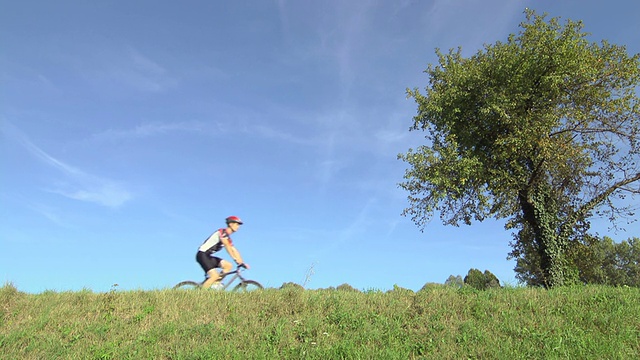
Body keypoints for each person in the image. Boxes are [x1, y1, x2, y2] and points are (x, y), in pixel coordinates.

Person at [196, 216, 250, 289]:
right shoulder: (222, 232)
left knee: (228, 266)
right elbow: (227, 246)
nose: (238, 226)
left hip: (208, 256)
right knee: (214, 276)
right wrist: (235, 259)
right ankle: (200, 296)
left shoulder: (228, 237)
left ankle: (215, 284)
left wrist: (241, 262)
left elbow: (234, 250)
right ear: (230, 224)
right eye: (237, 224)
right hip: (202, 255)